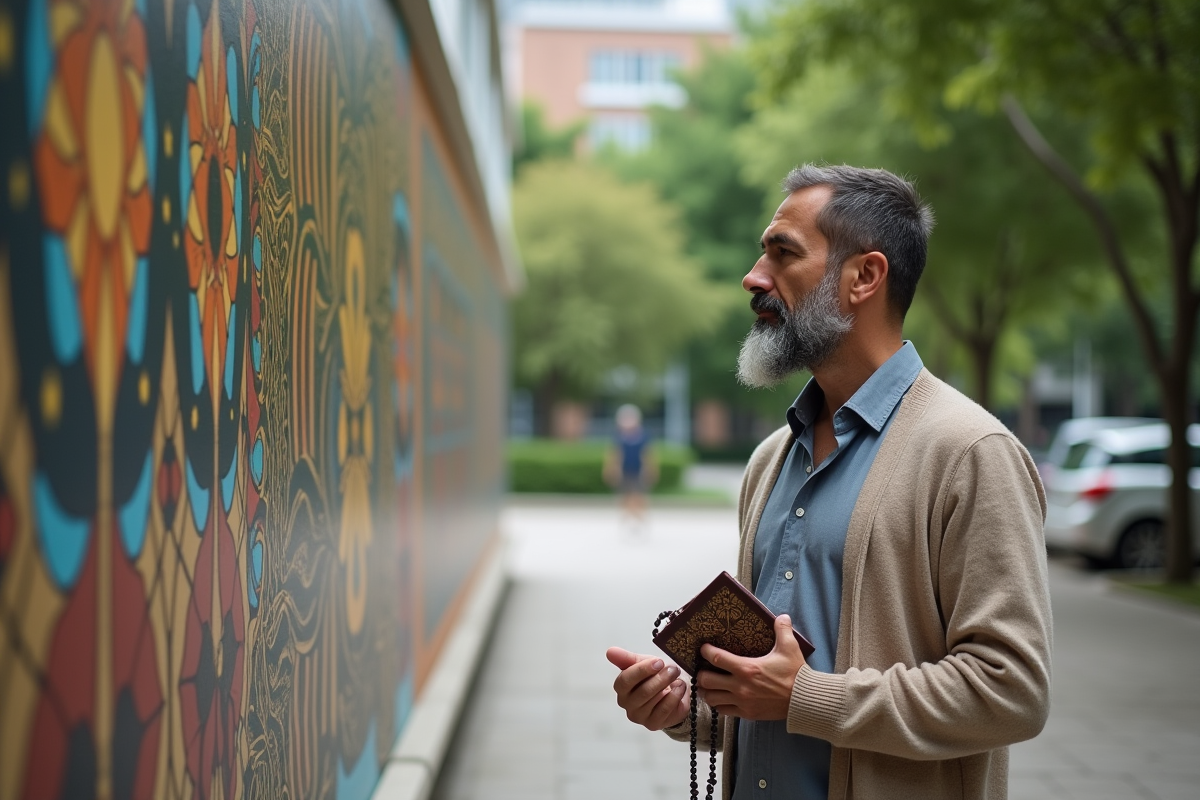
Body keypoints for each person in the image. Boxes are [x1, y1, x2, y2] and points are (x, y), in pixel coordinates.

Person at [605, 165, 1051, 799]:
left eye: (783, 253)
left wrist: (804, 696)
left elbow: (1012, 691)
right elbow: (771, 700)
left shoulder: (972, 453)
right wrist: (689, 706)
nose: (753, 278)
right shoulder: (770, 459)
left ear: (863, 277)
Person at [604, 404, 658, 529]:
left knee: (639, 494)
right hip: (624, 471)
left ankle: (639, 516)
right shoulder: (618, 437)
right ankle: (628, 516)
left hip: (639, 470)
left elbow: (648, 454)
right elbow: (614, 454)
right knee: (625, 495)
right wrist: (611, 469)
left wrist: (650, 469)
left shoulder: (644, 436)